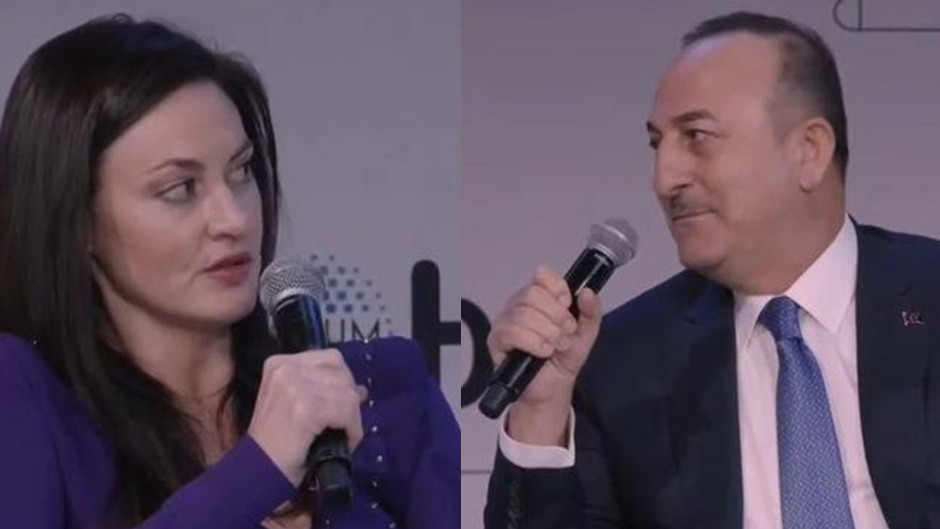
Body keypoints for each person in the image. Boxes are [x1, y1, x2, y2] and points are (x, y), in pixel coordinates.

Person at [484, 11, 940, 529]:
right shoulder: (622, 363)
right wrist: (540, 412)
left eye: (697, 136)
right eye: (657, 145)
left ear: (809, 151)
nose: (665, 178)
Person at [0, 15, 459, 529]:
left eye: (241, 172)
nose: (234, 219)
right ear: (78, 221)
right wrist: (258, 468)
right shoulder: (26, 399)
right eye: (180, 189)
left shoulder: (383, 386)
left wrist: (526, 432)